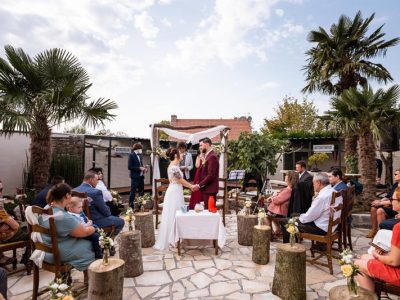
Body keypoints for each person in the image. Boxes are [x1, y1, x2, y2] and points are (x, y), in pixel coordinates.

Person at [37, 183, 95, 271]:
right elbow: (84, 232)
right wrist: (93, 228)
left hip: (45, 250)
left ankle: (64, 277)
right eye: (71, 194)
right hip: (57, 253)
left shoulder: (47, 208)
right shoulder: (62, 217)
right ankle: (92, 275)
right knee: (92, 244)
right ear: (67, 195)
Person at [355, 186, 400, 292]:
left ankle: (370, 297)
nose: (390, 202)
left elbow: (394, 262)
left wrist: (377, 255)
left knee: (357, 264)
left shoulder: (398, 227)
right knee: (364, 256)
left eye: (392, 200)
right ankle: (379, 293)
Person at [280, 172, 339, 243]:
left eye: (313, 183)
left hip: (321, 228)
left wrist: (298, 217)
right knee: (294, 215)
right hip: (331, 225)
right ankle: (294, 241)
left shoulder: (322, 197)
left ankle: (289, 248)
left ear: (319, 183)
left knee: (285, 221)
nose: (313, 185)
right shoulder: (334, 191)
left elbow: (308, 217)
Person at [154, 148, 194, 250]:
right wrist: (191, 186)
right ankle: (173, 239)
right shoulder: (173, 168)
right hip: (174, 193)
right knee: (174, 214)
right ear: (176, 155)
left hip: (176, 191)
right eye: (181, 153)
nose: (183, 155)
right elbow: (180, 180)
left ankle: (177, 237)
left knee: (177, 213)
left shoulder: (175, 166)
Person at [74, 171, 124, 235]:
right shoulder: (95, 192)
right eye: (97, 179)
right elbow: (106, 212)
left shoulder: (73, 190)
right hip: (95, 221)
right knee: (120, 221)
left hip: (79, 221)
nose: (98, 182)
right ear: (91, 180)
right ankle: (107, 242)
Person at [367, 169, 400, 238]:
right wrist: (379, 201)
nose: (394, 176)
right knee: (373, 207)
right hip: (392, 205)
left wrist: (381, 203)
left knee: (380, 210)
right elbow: (388, 196)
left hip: (395, 207)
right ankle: (374, 230)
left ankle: (381, 233)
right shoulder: (396, 184)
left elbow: (394, 200)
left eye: (396, 174)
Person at [265, 171, 298, 235]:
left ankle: (270, 235)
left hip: (280, 212)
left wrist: (271, 198)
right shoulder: (290, 189)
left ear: (290, 178)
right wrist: (273, 196)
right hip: (280, 211)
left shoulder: (288, 190)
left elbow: (277, 200)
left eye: (286, 175)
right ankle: (278, 230)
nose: (285, 176)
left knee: (265, 217)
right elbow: (279, 197)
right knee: (269, 214)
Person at [192, 138, 219, 209]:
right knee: (206, 212)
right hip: (206, 189)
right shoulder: (208, 155)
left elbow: (210, 175)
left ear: (206, 145)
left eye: (201, 145)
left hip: (210, 190)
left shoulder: (212, 156)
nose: (200, 147)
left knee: (209, 211)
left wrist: (199, 185)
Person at [128, 143, 148, 209]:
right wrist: (139, 168)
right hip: (135, 177)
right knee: (133, 192)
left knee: (141, 192)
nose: (141, 150)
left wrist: (144, 168)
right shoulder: (131, 155)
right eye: (141, 149)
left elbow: (140, 166)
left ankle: (140, 206)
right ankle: (131, 207)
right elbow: (130, 167)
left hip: (141, 177)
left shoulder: (140, 156)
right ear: (137, 149)